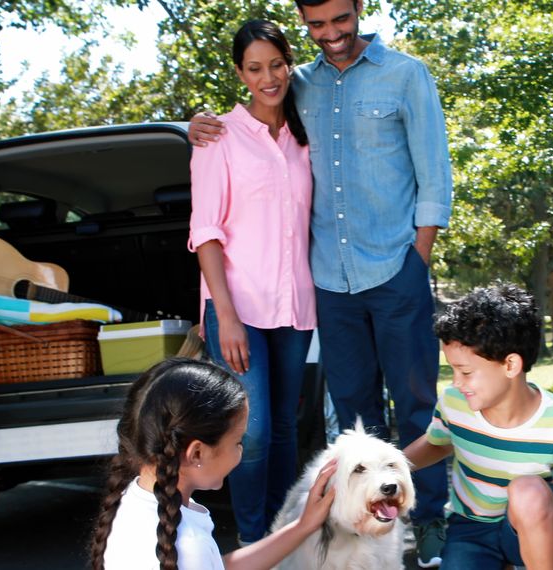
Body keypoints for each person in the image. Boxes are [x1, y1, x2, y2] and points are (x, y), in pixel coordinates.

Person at [188, 1, 453, 565]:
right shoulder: (291, 89)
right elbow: (218, 196)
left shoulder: (404, 75)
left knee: (415, 404)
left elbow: (435, 174)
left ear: (359, 9)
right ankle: (351, 538)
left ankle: (430, 521)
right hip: (328, 285)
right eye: (317, 24)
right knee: (353, 416)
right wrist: (195, 126)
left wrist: (418, 261)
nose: (331, 34)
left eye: (340, 19)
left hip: (392, 271)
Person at [187, 20, 316, 545]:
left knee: (285, 427)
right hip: (235, 307)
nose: (269, 77)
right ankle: (252, 540)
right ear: (241, 74)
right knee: (252, 431)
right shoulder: (217, 136)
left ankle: (284, 537)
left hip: (294, 306)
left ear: (290, 63)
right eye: (256, 68)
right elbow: (205, 232)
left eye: (277, 65)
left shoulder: (303, 136)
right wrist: (228, 317)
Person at [404, 284, 553, 570]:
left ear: (510, 365)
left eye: (466, 372)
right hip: (470, 528)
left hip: (530, 525)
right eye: (452, 370)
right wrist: (387, 466)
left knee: (528, 491)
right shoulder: (453, 403)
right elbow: (437, 443)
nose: (456, 382)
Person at [88, 357, 337, 570]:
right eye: (238, 442)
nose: (240, 452)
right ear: (196, 453)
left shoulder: (136, 498)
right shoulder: (188, 545)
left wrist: (303, 526)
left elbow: (220, 565)